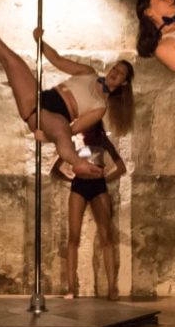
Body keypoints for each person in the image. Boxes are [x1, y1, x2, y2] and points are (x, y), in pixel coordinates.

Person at [0, 1, 133, 177]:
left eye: (121, 73)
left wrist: (47, 138)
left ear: (123, 83)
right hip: (39, 99)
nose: (115, 72)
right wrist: (40, 42)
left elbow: (73, 129)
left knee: (62, 132)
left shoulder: (100, 106)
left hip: (56, 117)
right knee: (10, 60)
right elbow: (58, 61)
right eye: (115, 68)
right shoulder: (89, 72)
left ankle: (78, 163)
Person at [51, 121, 126, 300]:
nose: (86, 127)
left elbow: (121, 167)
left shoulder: (102, 140)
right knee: (73, 237)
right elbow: (55, 169)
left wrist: (105, 179)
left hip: (98, 186)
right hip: (79, 186)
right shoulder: (73, 140)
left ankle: (112, 288)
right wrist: (71, 179)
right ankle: (71, 289)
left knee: (106, 237)